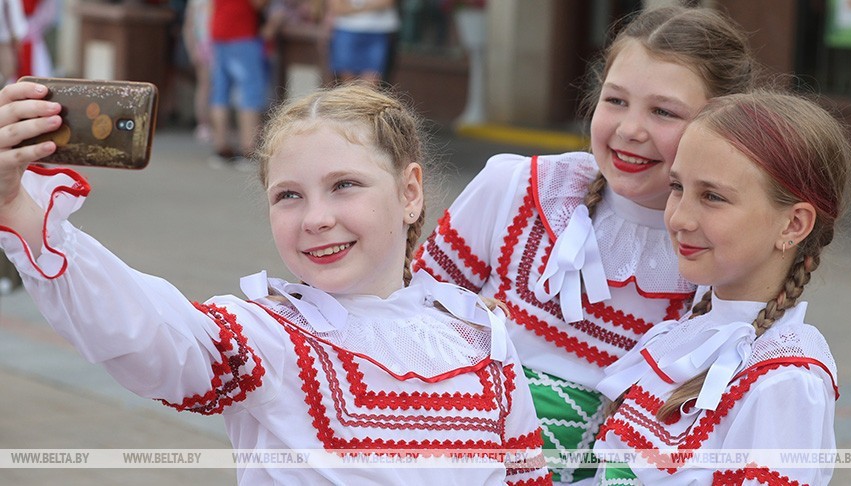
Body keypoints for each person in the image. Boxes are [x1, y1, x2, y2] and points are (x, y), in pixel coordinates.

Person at [0, 81, 550, 485]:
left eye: (345, 185)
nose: (315, 218)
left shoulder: (481, 336)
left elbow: (527, 478)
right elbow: (144, 328)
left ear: (410, 193)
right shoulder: (265, 339)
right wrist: (17, 207)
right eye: (289, 195)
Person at [412, 5, 757, 482]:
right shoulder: (517, 188)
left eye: (663, 111)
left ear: (724, 125)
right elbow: (406, 312)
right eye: (616, 100)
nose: (631, 129)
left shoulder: (723, 253)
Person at [592, 89, 851, 485]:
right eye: (678, 188)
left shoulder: (784, 379)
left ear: (793, 224)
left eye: (713, 197)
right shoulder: (680, 338)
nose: (679, 218)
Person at [208, 0, 269, 170]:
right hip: (242, 32)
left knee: (220, 93)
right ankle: (248, 149)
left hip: (219, 31)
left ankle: (221, 147)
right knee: (250, 92)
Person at [326, 0, 399, 85]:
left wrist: (353, 7)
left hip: (378, 31)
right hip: (346, 30)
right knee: (347, 84)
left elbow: (387, 3)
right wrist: (371, 6)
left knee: (371, 84)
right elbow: (337, 7)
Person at [182, 0, 213, 143]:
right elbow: (189, 26)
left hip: (210, 44)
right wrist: (192, 50)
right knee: (206, 86)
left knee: (207, 87)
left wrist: (192, 49)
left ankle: (208, 125)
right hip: (207, 45)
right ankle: (204, 124)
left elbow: (188, 27)